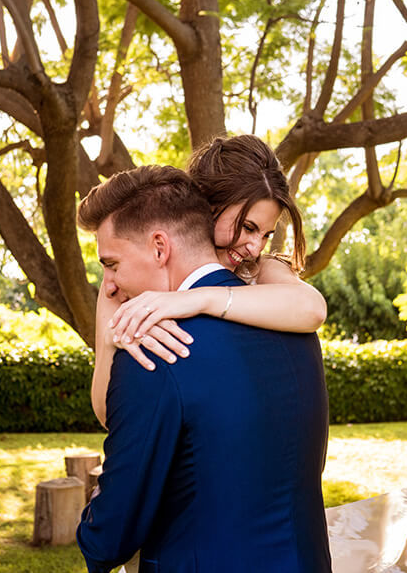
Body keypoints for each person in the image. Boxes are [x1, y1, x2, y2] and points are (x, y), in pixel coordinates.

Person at [74, 165, 332, 573]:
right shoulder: (296, 331)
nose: (253, 247)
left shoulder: (159, 347)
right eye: (246, 227)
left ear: (160, 247)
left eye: (112, 264)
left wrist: (92, 522)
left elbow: (110, 537)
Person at [90, 134, 327, 426]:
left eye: (266, 234)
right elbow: (107, 415)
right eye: (248, 227)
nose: (255, 248)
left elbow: (313, 309)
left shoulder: (260, 269)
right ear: (207, 206)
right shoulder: (124, 282)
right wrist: (111, 342)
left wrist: (198, 299)